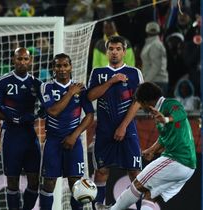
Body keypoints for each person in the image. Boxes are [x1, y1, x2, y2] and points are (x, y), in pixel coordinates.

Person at [95, 82, 196, 210]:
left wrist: (165, 119)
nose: (141, 108)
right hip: (188, 167)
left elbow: (181, 114)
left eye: (141, 105)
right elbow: (164, 138)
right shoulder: (158, 112)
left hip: (177, 160)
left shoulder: (170, 104)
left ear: (146, 102)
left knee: (138, 183)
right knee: (150, 195)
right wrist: (152, 150)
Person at [87, 36, 144, 208]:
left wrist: (123, 126)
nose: (114, 52)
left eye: (118, 49)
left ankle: (139, 207)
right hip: (104, 131)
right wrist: (111, 81)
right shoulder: (97, 72)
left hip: (128, 130)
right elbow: (90, 96)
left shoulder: (134, 73)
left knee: (135, 173)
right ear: (106, 52)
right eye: (111, 49)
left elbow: (138, 101)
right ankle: (99, 207)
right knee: (101, 172)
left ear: (124, 51)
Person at [38, 53, 94, 210]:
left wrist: (74, 135)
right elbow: (54, 111)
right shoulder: (46, 87)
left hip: (74, 141)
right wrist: (70, 92)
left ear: (71, 67)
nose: (62, 69)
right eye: (58, 66)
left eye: (65, 65)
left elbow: (90, 115)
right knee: (48, 184)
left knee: (76, 184)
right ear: (53, 68)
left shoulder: (81, 89)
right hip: (53, 141)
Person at [0, 47, 41, 210]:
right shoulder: (3, 81)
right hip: (11, 135)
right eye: (19, 59)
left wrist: (37, 115)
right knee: (12, 181)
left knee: (34, 181)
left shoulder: (37, 83)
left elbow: (47, 107)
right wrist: (12, 118)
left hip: (30, 135)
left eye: (26, 59)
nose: (22, 62)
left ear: (30, 61)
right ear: (13, 60)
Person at [140, 21, 168, 95]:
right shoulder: (152, 43)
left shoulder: (155, 45)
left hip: (156, 82)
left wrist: (145, 81)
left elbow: (156, 66)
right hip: (155, 81)